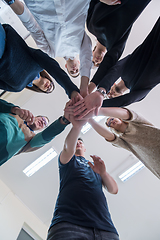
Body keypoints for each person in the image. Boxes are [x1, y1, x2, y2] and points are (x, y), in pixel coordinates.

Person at [68, 17, 160, 118]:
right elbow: (126, 100)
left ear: (113, 84)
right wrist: (97, 105)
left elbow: (115, 70)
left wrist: (101, 91)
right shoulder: (139, 91)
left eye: (109, 94)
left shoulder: (125, 71)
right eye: (112, 96)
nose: (111, 94)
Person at [46, 114, 119, 240]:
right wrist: (77, 126)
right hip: (68, 224)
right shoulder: (68, 160)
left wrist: (103, 173)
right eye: (77, 142)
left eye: (81, 142)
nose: (78, 143)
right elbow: (68, 148)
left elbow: (114, 190)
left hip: (105, 228)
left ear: (85, 148)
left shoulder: (95, 166)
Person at [4, 0, 93, 97]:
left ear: (66, 67)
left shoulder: (52, 53)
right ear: (80, 63)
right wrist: (84, 88)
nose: (74, 69)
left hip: (39, 4)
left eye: (72, 72)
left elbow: (32, 27)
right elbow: (87, 58)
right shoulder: (82, 43)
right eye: (77, 70)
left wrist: (12, 2)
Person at [0, 22, 80, 100]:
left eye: (48, 90)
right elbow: (53, 68)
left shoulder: (18, 88)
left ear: (40, 90)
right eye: (51, 85)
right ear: (49, 78)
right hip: (3, 40)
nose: (48, 87)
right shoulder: (39, 64)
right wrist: (71, 90)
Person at [87, 0, 151, 92]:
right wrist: (91, 87)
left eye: (93, 61)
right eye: (99, 64)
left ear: (92, 52)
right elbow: (110, 61)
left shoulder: (89, 26)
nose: (97, 61)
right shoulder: (115, 45)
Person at [88, 107, 160, 179]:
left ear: (119, 118)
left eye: (112, 119)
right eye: (109, 123)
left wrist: (97, 111)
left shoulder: (137, 122)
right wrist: (90, 120)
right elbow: (109, 137)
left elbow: (127, 114)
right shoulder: (124, 141)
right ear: (112, 127)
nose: (112, 121)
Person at [0, 99, 71, 166]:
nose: (43, 122)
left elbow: (47, 135)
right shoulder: (16, 113)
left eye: (45, 124)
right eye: (42, 119)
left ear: (41, 130)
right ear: (36, 117)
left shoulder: (31, 139)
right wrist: (15, 109)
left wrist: (64, 120)